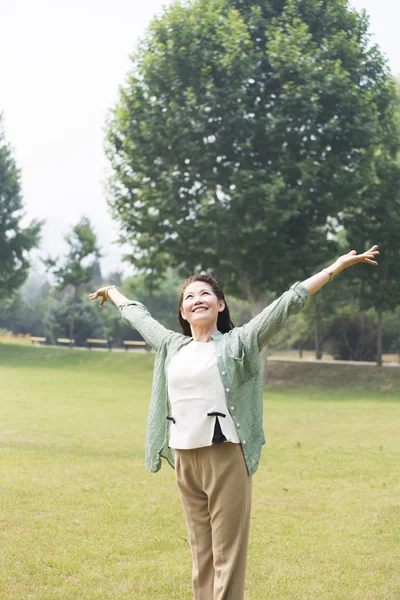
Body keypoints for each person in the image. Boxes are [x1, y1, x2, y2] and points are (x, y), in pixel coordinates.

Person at [89, 245, 379, 600]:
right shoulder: (171, 345)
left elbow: (288, 302)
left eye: (206, 294)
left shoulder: (239, 341)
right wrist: (112, 291)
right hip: (184, 457)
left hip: (224, 455)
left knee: (228, 554)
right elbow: (138, 316)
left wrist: (337, 266)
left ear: (220, 305)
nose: (198, 299)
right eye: (190, 296)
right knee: (202, 554)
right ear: (182, 310)